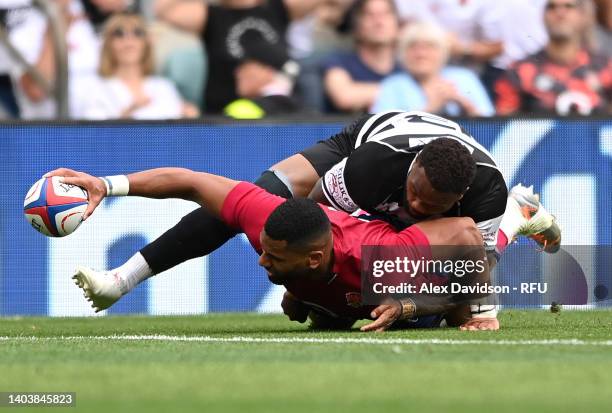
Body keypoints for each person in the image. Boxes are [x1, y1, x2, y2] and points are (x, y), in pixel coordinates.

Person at [63, 111, 560, 331]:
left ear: (457, 196)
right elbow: (318, 214)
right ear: (409, 174)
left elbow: (471, 254)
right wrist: (108, 184)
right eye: (413, 196)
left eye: (431, 205)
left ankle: (522, 214)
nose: (417, 206)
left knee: (456, 296)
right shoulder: (373, 167)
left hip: (462, 220)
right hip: (362, 142)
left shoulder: (483, 193)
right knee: (257, 195)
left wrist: (464, 308)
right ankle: (119, 282)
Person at [49, 148, 491, 332]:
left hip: (399, 267)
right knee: (321, 317)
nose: (261, 264)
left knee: (457, 314)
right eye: (265, 250)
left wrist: (410, 304)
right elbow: (188, 181)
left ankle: (523, 216)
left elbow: (468, 234)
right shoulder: (265, 218)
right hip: (336, 270)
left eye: (275, 257)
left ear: (315, 258)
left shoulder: (385, 259)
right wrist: (108, 184)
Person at [154, 0, 323, 113]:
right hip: (227, 118)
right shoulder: (211, 15)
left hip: (283, 113)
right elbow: (164, 11)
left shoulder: (278, 8)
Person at [495, 0, 612, 115]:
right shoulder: (521, 72)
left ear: (583, 16)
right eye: (552, 7)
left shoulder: (606, 69)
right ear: (543, 17)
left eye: (568, 6)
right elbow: (502, 124)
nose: (560, 13)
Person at [80, 13, 198, 120]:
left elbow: (177, 133)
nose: (129, 40)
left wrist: (190, 118)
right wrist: (126, 115)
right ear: (108, 44)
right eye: (119, 34)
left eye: (138, 33)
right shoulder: (96, 89)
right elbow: (94, 136)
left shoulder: (164, 87)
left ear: (146, 43)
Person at [371, 22, 494, 116]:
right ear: (402, 54)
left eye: (430, 47)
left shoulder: (464, 78)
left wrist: (463, 103)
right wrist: (431, 108)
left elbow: (492, 125)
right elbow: (380, 132)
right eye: (413, 47)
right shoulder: (392, 85)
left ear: (443, 52)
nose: (421, 54)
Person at [322, 0, 401, 113]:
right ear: (356, 25)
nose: (379, 22)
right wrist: (403, 92)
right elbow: (344, 97)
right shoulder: (339, 62)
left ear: (397, 24)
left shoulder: (404, 69)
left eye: (386, 14)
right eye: (370, 15)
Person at [223, 38, 303, 119]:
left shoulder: (241, 110)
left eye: (245, 66)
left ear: (268, 70)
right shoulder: (306, 108)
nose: (237, 72)